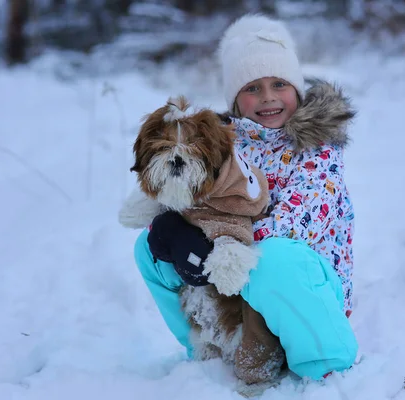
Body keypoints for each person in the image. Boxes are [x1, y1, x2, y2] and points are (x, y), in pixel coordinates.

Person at [130, 14, 358, 381]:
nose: (267, 97)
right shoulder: (223, 142)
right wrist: (173, 230)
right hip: (238, 291)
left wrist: (212, 244)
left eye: (279, 83)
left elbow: (298, 224)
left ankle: (323, 355)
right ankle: (209, 347)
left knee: (273, 258)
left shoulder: (317, 147)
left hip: (306, 291)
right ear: (235, 100)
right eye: (252, 88)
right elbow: (193, 196)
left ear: (297, 90)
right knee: (150, 247)